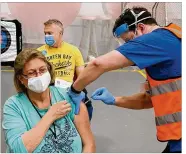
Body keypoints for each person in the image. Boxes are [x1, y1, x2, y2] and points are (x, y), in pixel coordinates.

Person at [67, 7, 181, 153]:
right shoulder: (173, 38)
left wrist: (75, 90)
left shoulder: (155, 40)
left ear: (140, 27)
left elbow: (98, 64)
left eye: (129, 41)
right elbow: (148, 100)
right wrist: (114, 100)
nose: (129, 48)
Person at [2, 48, 95, 153]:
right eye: (32, 72)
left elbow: (89, 144)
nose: (39, 76)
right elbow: (18, 150)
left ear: (49, 70)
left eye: (42, 70)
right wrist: (50, 115)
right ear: (21, 79)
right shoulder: (14, 106)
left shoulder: (68, 96)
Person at [37, 19, 93, 120]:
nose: (46, 36)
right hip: (49, 90)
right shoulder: (39, 52)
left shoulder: (73, 50)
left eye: (50, 33)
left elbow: (81, 76)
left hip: (69, 89)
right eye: (45, 33)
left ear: (60, 33)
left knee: (87, 106)